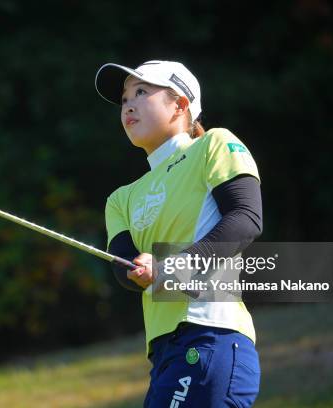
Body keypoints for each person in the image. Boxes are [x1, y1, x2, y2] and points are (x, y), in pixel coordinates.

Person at [95, 60, 262, 407]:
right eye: (125, 97)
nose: (128, 104)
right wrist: (136, 271)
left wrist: (171, 267)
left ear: (181, 105)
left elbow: (246, 218)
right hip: (164, 355)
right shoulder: (121, 199)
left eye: (142, 91)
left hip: (210, 337)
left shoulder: (213, 145)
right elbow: (123, 267)